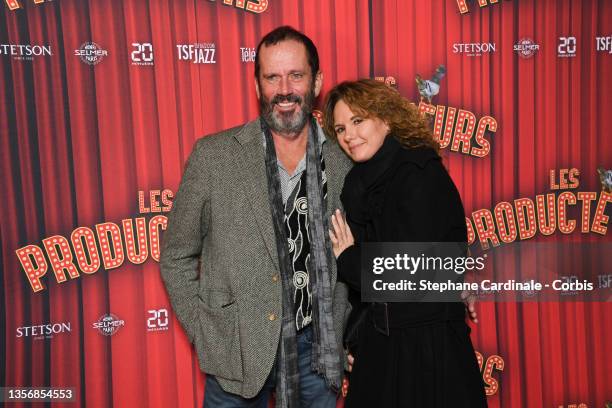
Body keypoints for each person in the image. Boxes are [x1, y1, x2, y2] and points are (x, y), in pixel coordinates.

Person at [160, 26, 353, 408]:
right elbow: (176, 255)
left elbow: (375, 247)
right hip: (237, 351)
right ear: (257, 85)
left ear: (316, 81)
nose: (284, 89)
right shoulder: (214, 157)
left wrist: (446, 281)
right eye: (272, 77)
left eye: (295, 75)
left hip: (319, 354)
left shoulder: (345, 158)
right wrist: (207, 331)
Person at [324, 79, 487, 407]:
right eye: (341, 128)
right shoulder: (359, 184)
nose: (349, 136)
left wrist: (349, 258)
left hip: (428, 349)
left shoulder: (418, 172)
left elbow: (413, 271)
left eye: (358, 121)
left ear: (385, 118)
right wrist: (355, 341)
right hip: (381, 345)